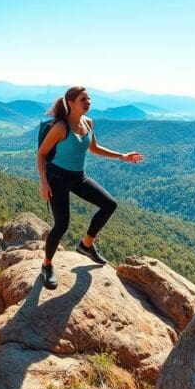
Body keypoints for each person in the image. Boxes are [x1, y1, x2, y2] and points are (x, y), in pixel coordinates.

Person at [36, 87, 143, 289]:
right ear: (71, 103)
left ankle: (85, 245)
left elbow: (93, 148)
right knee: (62, 225)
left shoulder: (88, 122)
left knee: (109, 204)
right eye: (83, 99)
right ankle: (47, 265)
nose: (88, 102)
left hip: (78, 177)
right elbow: (41, 155)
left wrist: (122, 156)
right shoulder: (60, 127)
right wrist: (44, 182)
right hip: (57, 179)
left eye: (89, 98)